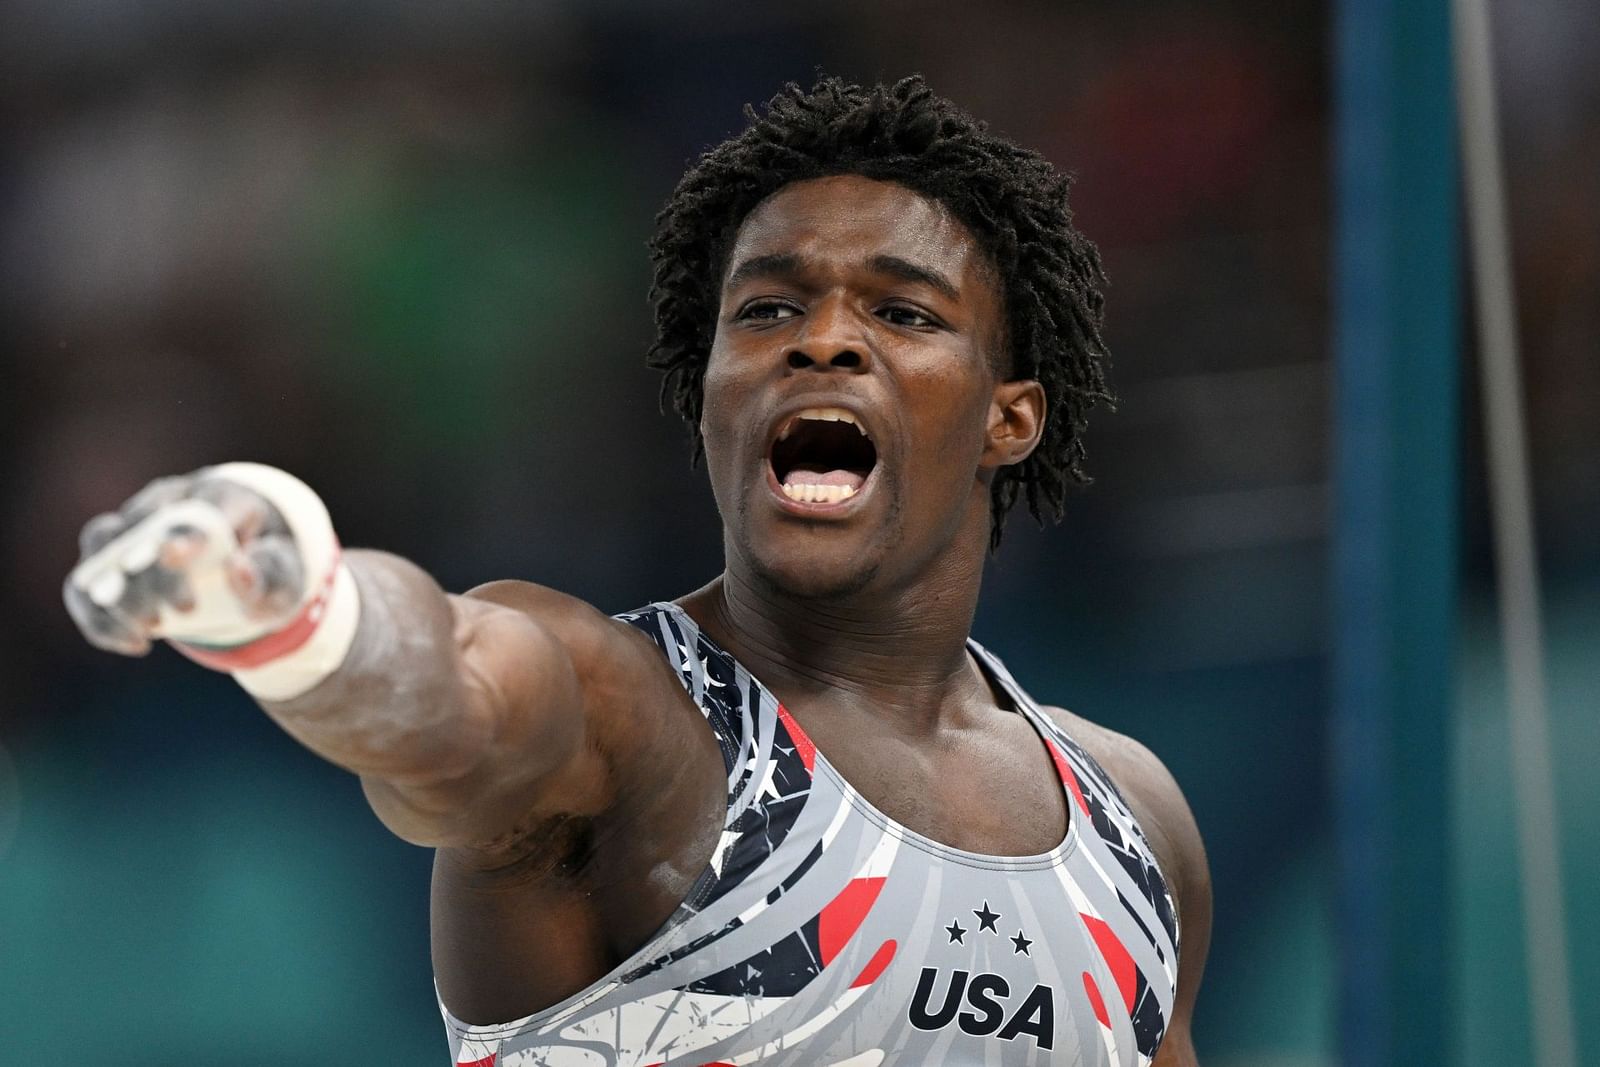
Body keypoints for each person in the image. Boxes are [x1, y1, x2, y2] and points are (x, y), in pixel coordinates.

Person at [64, 76, 1210, 1066]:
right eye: (766, 308)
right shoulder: (622, 717)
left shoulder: (1132, 821)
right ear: (708, 389)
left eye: (901, 309)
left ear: (1009, 418)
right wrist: (295, 605)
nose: (819, 339)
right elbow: (448, 688)